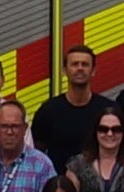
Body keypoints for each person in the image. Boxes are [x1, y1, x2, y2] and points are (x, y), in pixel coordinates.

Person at [33, 44, 119, 172]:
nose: (80, 68)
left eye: (85, 64)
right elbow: (36, 153)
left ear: (93, 70)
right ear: (64, 70)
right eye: (74, 64)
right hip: (60, 188)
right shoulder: (48, 110)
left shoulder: (109, 110)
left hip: (100, 186)